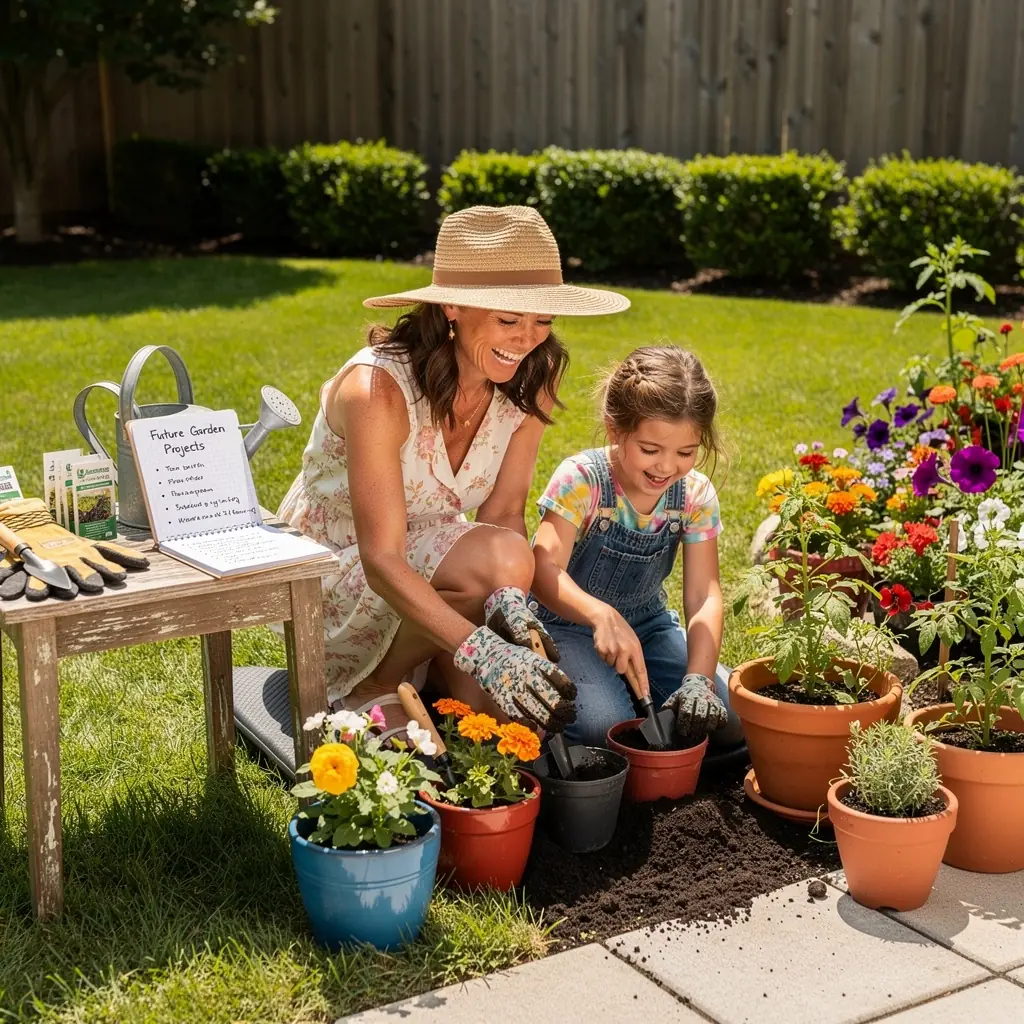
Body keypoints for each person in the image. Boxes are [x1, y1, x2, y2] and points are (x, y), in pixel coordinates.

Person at [278, 205, 630, 730]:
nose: (527, 339)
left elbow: (506, 511)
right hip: (341, 573)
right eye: (509, 320)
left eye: (543, 321)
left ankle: (429, 668)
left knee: (507, 726)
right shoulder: (377, 388)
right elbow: (381, 559)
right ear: (450, 307)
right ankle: (371, 687)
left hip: (447, 562)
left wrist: (509, 601)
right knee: (498, 567)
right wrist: (488, 653)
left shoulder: (535, 372)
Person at [529, 344, 744, 748]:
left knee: (733, 714)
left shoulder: (694, 494)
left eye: (685, 452)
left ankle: (652, 712)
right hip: (566, 627)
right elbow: (542, 571)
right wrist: (600, 616)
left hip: (647, 624)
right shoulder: (583, 479)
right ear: (615, 428)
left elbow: (703, 594)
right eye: (650, 450)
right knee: (604, 726)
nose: (666, 467)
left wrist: (698, 679)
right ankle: (617, 705)